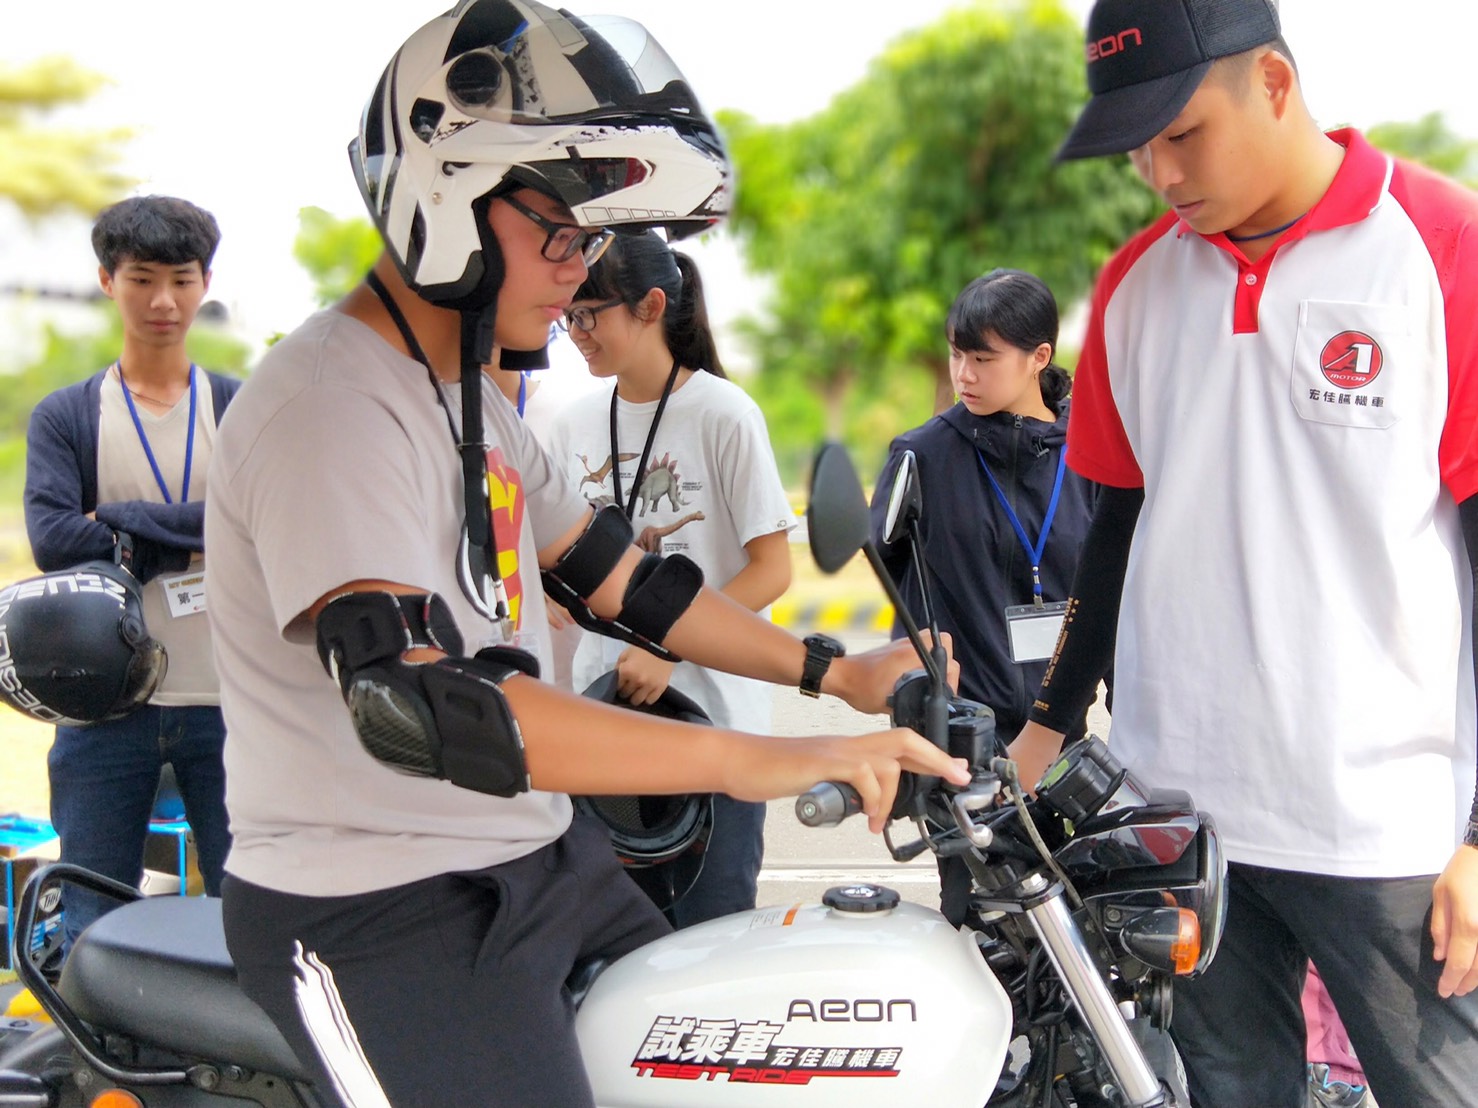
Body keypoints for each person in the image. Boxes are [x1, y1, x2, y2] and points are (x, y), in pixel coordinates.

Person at [203, 4, 966, 1105]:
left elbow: (631, 585)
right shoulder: (329, 407)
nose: (578, 269)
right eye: (559, 230)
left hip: (533, 861)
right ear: (447, 192)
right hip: (371, 905)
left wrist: (832, 676)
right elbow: (423, 708)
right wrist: (760, 760)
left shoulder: (475, 403)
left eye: (590, 239)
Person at [1008, 1, 1478, 1105]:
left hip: (1385, 829)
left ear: (1271, 82)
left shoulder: (1439, 245)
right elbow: (1114, 531)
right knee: (1220, 1089)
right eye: (1136, 147)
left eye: (1182, 133)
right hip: (1181, 815)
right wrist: (1049, 717)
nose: (1158, 173)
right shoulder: (1133, 286)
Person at [543, 230, 796, 926]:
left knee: (711, 941)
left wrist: (665, 644)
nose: (575, 331)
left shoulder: (724, 414)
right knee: (617, 952)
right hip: (606, 726)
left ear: (650, 306)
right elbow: (557, 552)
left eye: (589, 313)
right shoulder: (572, 425)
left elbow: (773, 571)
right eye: (569, 314)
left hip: (716, 730)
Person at [22, 194, 237, 947]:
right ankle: (102, 1067)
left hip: (229, 703)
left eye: (180, 278)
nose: (163, 300)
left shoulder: (237, 409)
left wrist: (120, 521)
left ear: (205, 282)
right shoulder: (68, 416)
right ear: (108, 281)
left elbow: (257, 528)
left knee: (251, 914)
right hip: (103, 707)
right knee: (90, 920)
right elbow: (51, 539)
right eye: (142, 277)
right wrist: (195, 531)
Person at [868, 269, 1098, 928]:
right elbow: (892, 589)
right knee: (982, 931)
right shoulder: (922, 456)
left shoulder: (1092, 457)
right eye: (956, 354)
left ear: (1040, 358)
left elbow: (1113, 591)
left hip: (1066, 743)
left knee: (1077, 934)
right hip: (962, 748)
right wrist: (922, 694)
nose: (963, 373)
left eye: (983, 357)